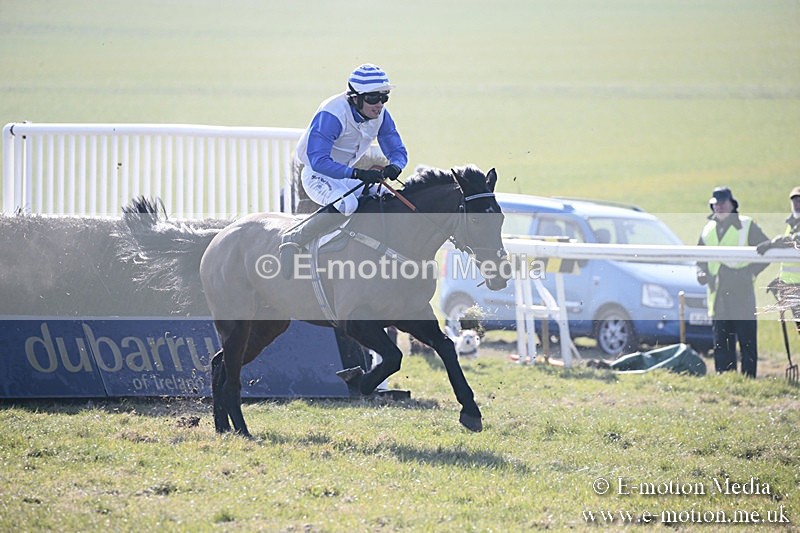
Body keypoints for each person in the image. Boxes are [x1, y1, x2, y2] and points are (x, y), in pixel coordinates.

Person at [279, 63, 408, 277]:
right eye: (373, 98)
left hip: (345, 175)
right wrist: (357, 174)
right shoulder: (332, 113)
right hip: (316, 175)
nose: (379, 105)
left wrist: (396, 165)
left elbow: (397, 149)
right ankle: (295, 238)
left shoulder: (381, 115)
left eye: (384, 98)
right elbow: (318, 160)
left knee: (387, 197)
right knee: (348, 204)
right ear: (355, 98)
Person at [696, 186, 769, 377]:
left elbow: (766, 251)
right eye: (715, 204)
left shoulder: (747, 225)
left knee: (746, 341)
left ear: (732, 204)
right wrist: (701, 273)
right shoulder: (707, 229)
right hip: (718, 292)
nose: (719, 207)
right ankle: (726, 380)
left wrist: (750, 274)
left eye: (722, 203)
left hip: (742, 291)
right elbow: (699, 259)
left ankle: (748, 379)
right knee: (722, 342)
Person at [757, 186, 800, 333]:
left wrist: (772, 243)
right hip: (792, 287)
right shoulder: (792, 224)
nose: (797, 204)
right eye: (794, 200)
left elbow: (794, 241)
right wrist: (781, 279)